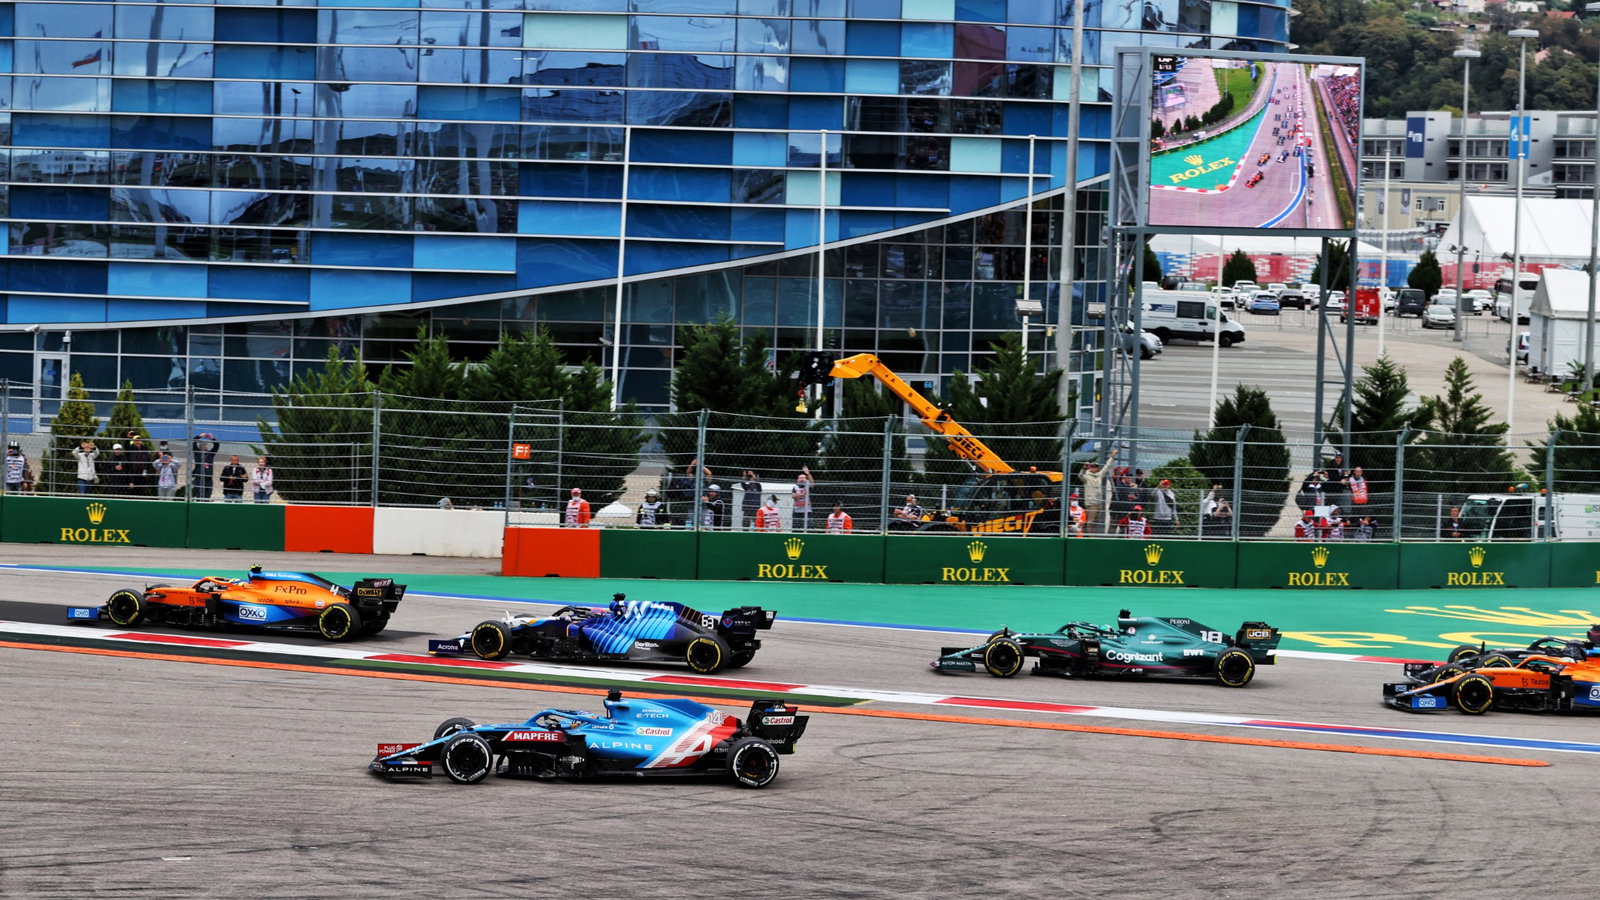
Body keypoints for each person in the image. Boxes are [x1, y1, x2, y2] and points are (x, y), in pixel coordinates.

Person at [1078, 448, 1117, 533]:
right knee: (1090, 522)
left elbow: (1107, 467)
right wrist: (1083, 468)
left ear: (1098, 468)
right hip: (1091, 502)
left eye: (1095, 466)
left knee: (1095, 521)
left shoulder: (1099, 475)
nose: (1094, 468)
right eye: (1092, 466)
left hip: (1098, 502)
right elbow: (1080, 476)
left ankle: (1093, 535)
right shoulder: (1087, 476)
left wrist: (1112, 456)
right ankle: (1090, 537)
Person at [191, 432, 217, 500]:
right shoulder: (197, 453)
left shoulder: (210, 454)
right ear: (199, 446)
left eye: (206, 444)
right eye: (203, 444)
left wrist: (212, 438)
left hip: (208, 480)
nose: (205, 445)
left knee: (207, 498)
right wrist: (199, 436)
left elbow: (216, 446)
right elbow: (192, 442)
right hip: (198, 479)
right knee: (199, 497)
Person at [791, 466, 812, 532]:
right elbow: (794, 496)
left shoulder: (808, 486)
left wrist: (808, 473)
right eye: (800, 478)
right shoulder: (795, 487)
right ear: (797, 480)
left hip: (807, 510)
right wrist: (803, 494)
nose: (802, 479)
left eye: (803, 478)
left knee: (808, 528)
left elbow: (812, 482)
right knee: (797, 528)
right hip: (797, 510)